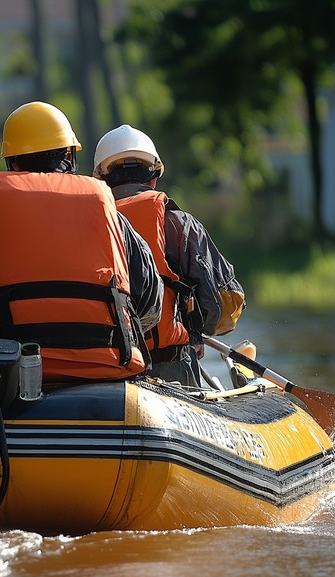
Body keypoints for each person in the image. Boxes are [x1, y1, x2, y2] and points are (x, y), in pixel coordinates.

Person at [0, 102, 163, 381]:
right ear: (69, 156)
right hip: (105, 362)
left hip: (8, 365)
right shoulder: (109, 213)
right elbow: (149, 299)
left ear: (12, 162)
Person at [92, 124, 245, 387]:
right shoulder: (179, 224)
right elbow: (220, 305)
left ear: (101, 181)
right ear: (153, 178)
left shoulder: (88, 224)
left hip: (105, 367)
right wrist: (195, 333)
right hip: (170, 364)